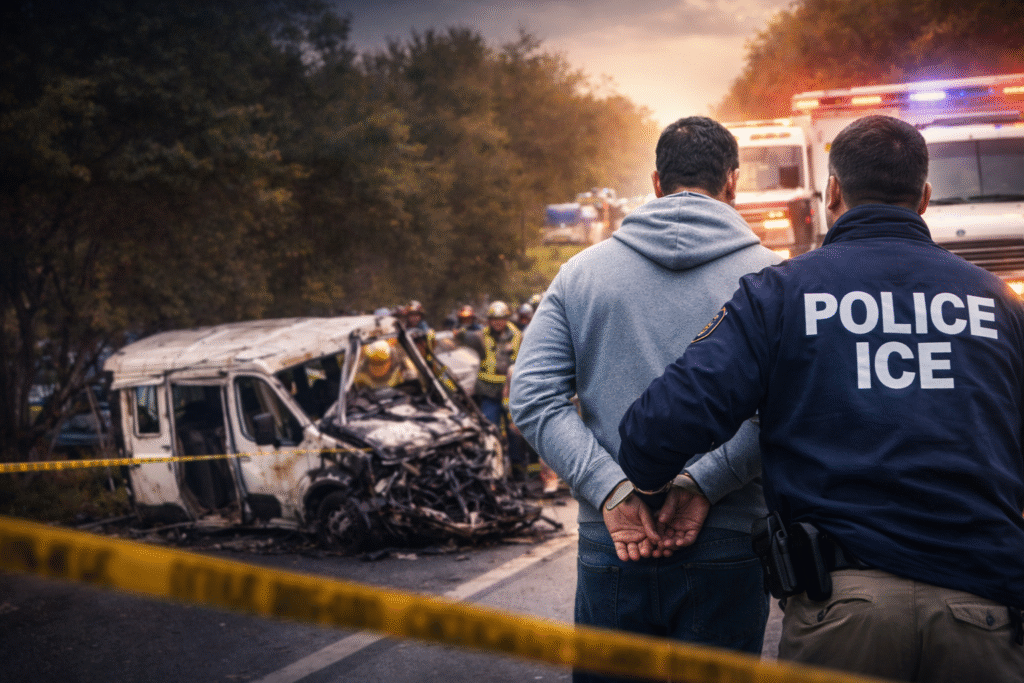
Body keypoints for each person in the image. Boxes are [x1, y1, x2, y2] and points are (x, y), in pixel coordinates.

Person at [617, 115, 1024, 682]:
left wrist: (656, 487)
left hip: (840, 613)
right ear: (925, 197)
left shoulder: (780, 294)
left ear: (832, 191)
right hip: (982, 609)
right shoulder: (999, 303)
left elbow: (652, 432)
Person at [509, 116, 782, 681]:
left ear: (656, 182)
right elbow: (788, 407)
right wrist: (707, 481)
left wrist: (610, 490)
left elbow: (534, 399)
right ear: (733, 183)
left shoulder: (580, 276)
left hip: (615, 545)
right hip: (728, 542)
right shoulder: (775, 278)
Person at [459, 300, 521, 430]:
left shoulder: (519, 337)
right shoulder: (479, 336)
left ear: (507, 319)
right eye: (494, 319)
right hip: (489, 393)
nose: (497, 322)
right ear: (489, 320)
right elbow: (460, 337)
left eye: (501, 318)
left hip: (512, 393)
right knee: (490, 429)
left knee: (515, 433)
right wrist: (456, 333)